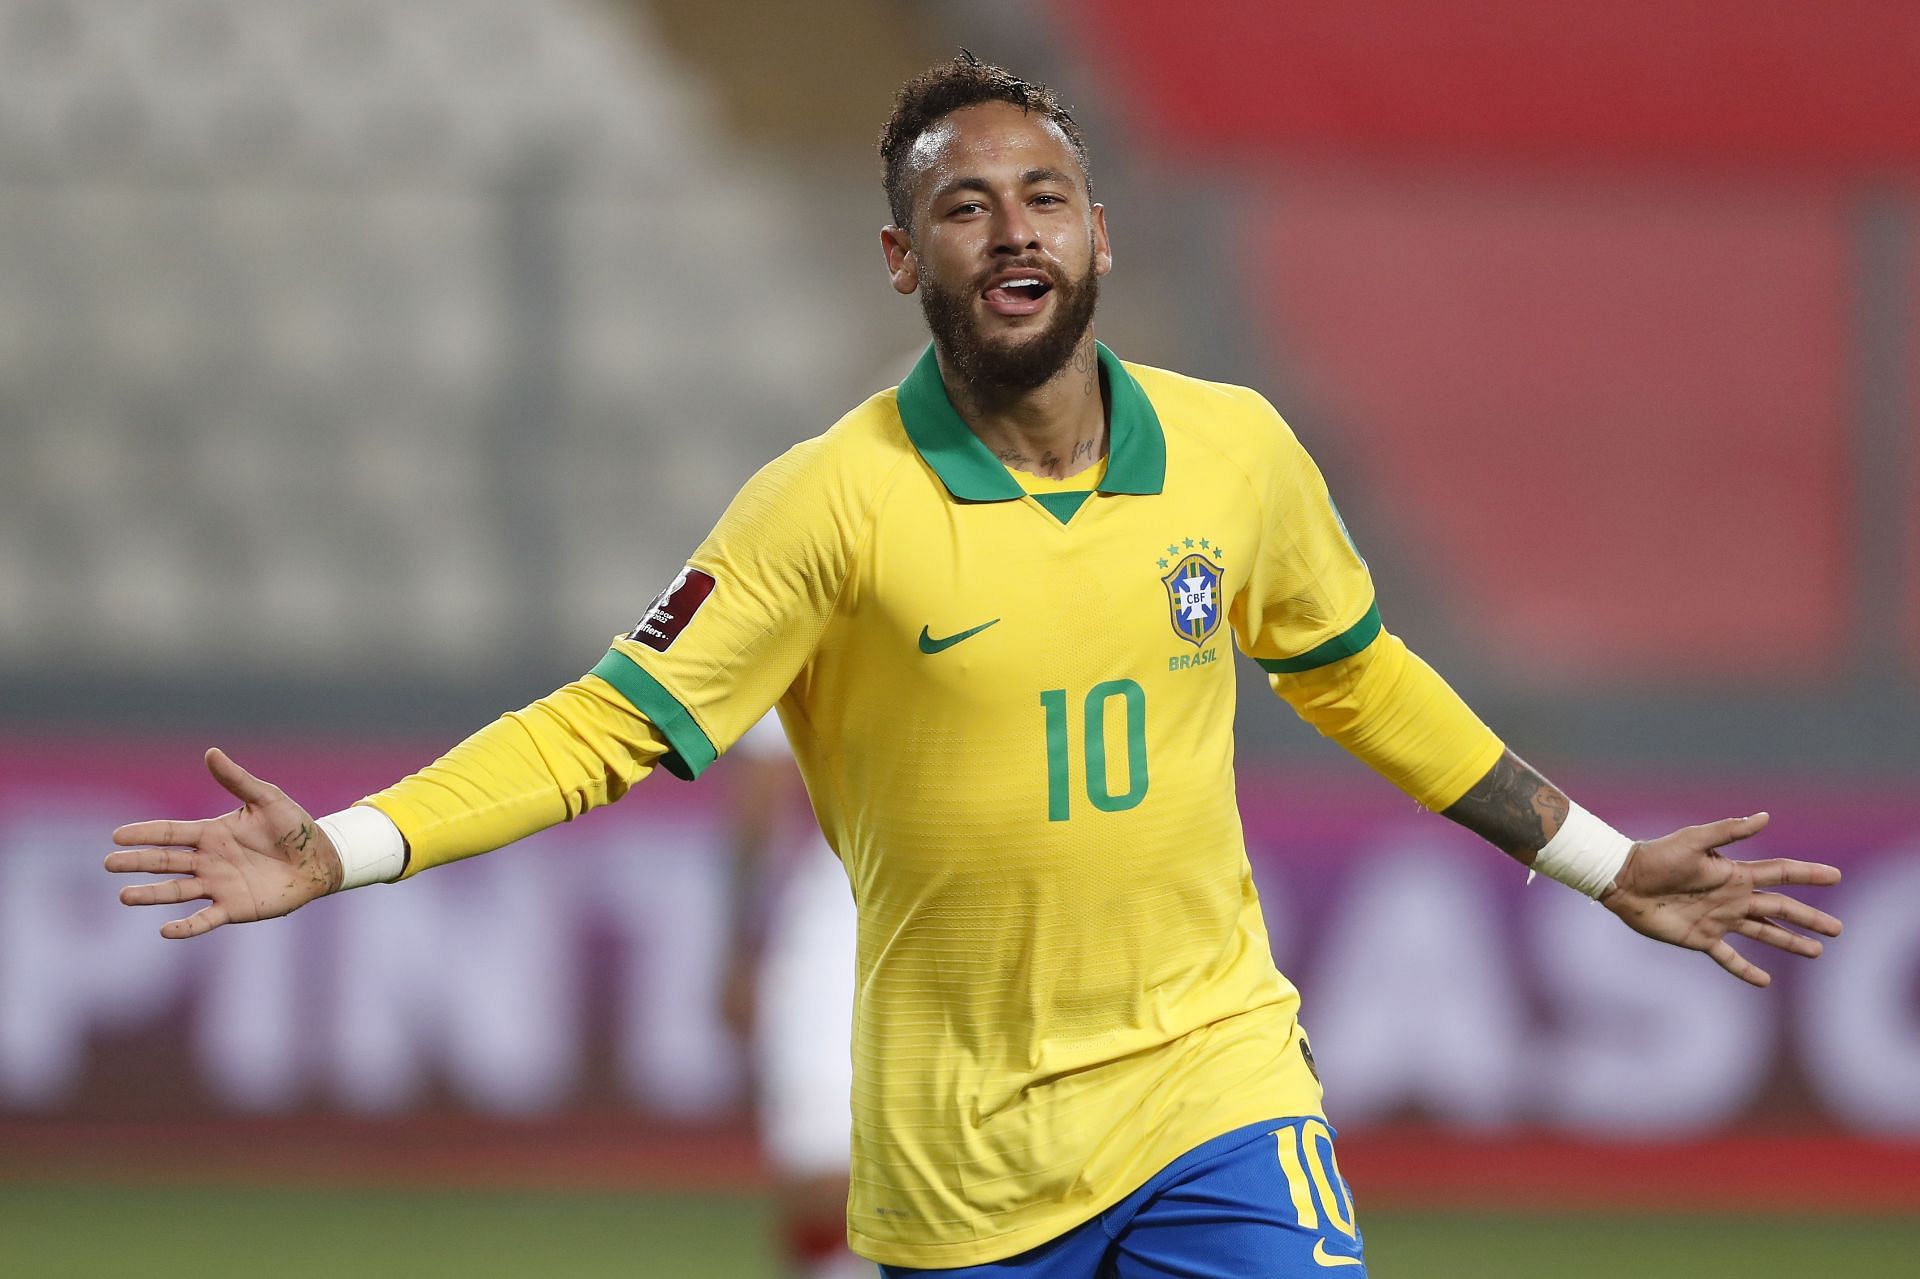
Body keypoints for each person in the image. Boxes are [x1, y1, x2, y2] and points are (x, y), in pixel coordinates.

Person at [107, 56, 1843, 1278]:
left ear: (1101, 233)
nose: (1011, 230)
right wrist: (347, 841)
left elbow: (1360, 675)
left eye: (1045, 196)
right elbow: (607, 727)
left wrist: (1604, 862)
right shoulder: (825, 505)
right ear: (902, 259)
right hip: (962, 1155)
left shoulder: (1236, 454)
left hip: (1215, 1081)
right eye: (962, 208)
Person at [719, 712, 864, 1279]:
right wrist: (742, 943)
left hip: (997, 894)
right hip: (856, 887)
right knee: (822, 1166)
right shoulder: (820, 621)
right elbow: (761, 785)